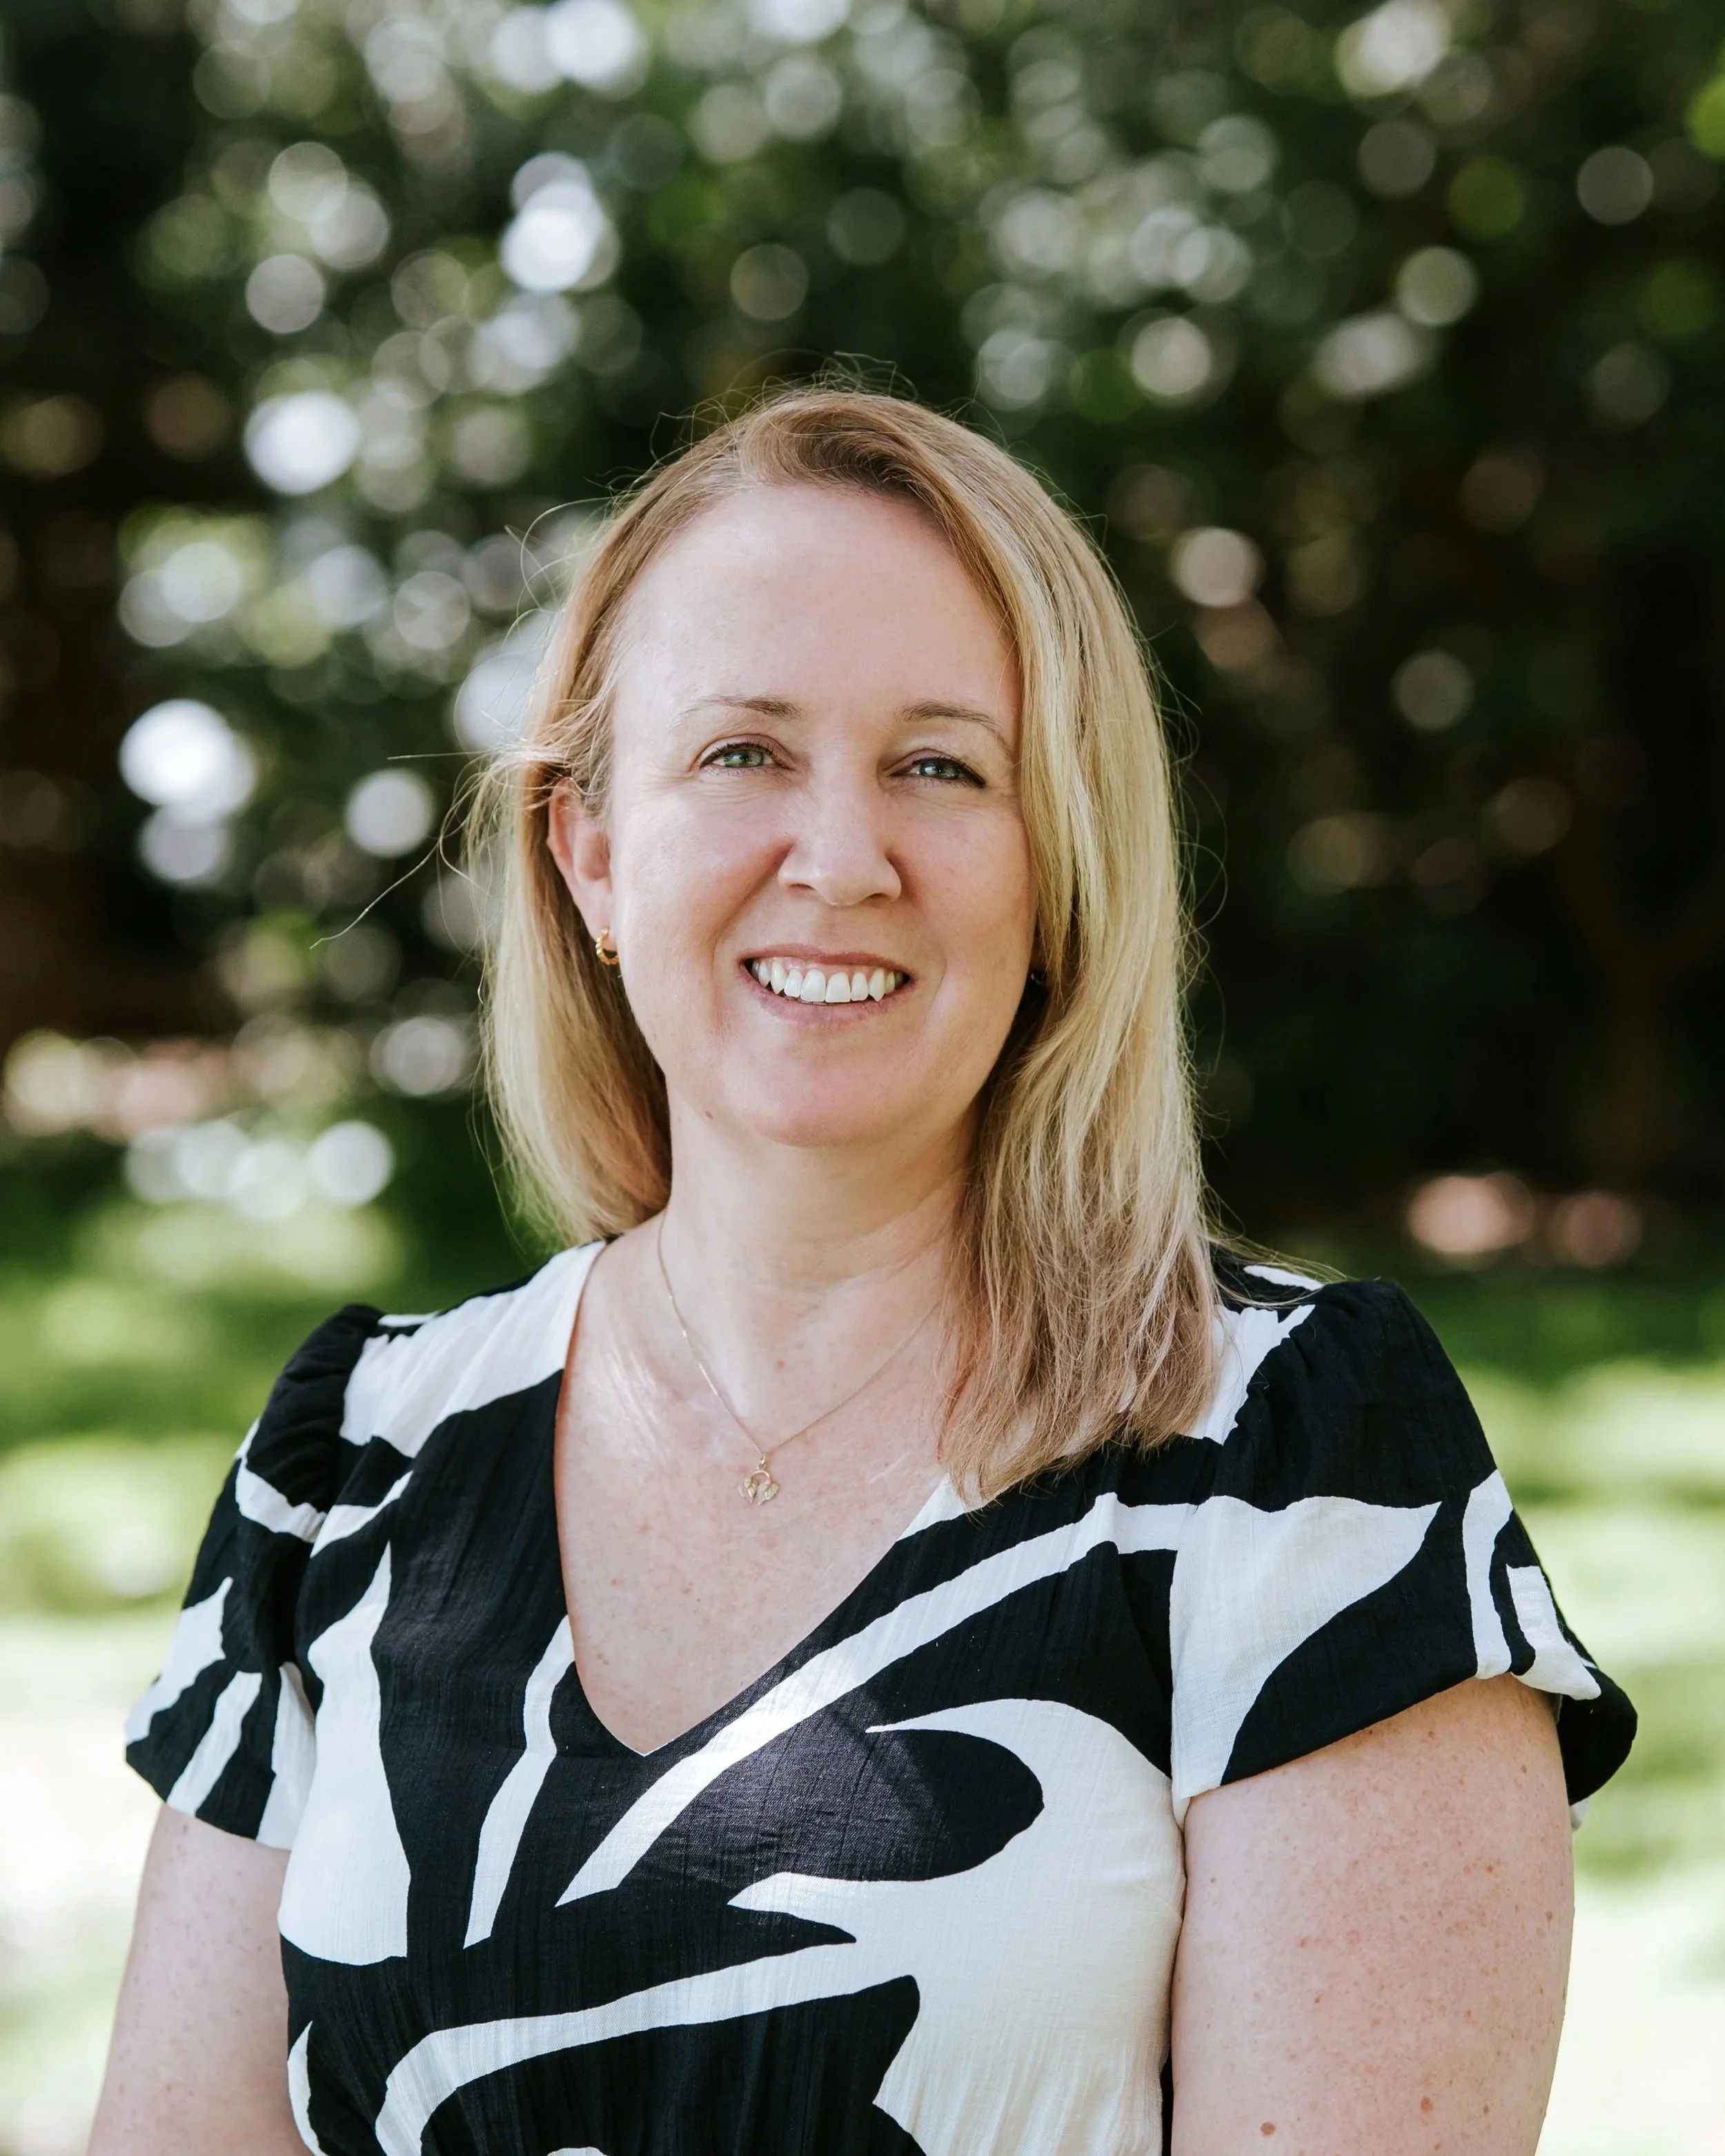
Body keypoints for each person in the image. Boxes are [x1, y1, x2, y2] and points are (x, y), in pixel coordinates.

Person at [93, 389, 1634, 2156]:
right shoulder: (352, 1461)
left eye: (939, 765)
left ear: (1057, 865)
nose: (839, 859)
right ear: (588, 851)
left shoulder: (1291, 1460)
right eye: (742, 753)